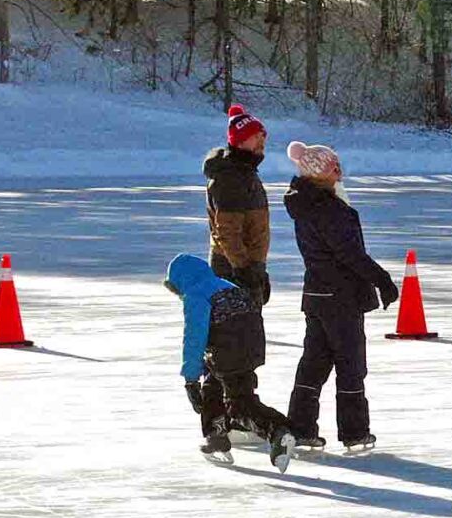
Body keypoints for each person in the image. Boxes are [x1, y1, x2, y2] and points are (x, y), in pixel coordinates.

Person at [284, 141, 397, 455]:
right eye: (333, 167)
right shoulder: (328, 209)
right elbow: (349, 254)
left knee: (314, 363)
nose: (339, 170)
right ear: (320, 174)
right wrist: (382, 279)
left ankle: (301, 427)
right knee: (350, 363)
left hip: (317, 294)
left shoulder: (308, 204)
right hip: (340, 297)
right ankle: (354, 432)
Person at [163, 251, 296, 471]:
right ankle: (216, 437)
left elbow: (195, 336)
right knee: (213, 385)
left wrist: (190, 379)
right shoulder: (226, 285)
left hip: (227, 347)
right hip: (251, 345)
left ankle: (278, 431)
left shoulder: (196, 294)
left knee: (239, 404)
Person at [203, 107, 272, 304]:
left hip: (246, 265)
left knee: (249, 330)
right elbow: (227, 231)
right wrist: (244, 271)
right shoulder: (230, 178)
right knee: (237, 332)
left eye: (263, 136)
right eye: (255, 136)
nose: (262, 141)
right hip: (232, 268)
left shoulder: (245, 172)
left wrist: (259, 270)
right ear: (239, 140)